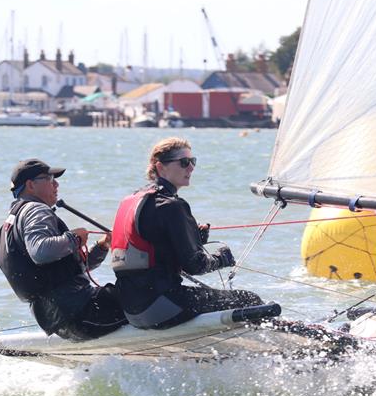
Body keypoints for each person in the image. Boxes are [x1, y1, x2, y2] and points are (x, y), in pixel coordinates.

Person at [111, 137, 263, 328]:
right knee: (249, 300)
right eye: (184, 163)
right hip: (163, 306)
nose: (191, 168)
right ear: (160, 167)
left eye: (193, 162)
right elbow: (195, 266)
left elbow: (156, 252)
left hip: (132, 310)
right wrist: (221, 259)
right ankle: (283, 351)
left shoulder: (132, 201)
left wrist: (194, 241)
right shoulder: (173, 206)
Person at [0, 158, 127, 341]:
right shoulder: (36, 210)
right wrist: (73, 238)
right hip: (83, 313)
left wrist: (102, 245)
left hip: (58, 320)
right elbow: (40, 252)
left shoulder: (13, 220)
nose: (56, 184)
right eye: (49, 179)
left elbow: (65, 269)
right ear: (30, 185)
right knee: (143, 295)